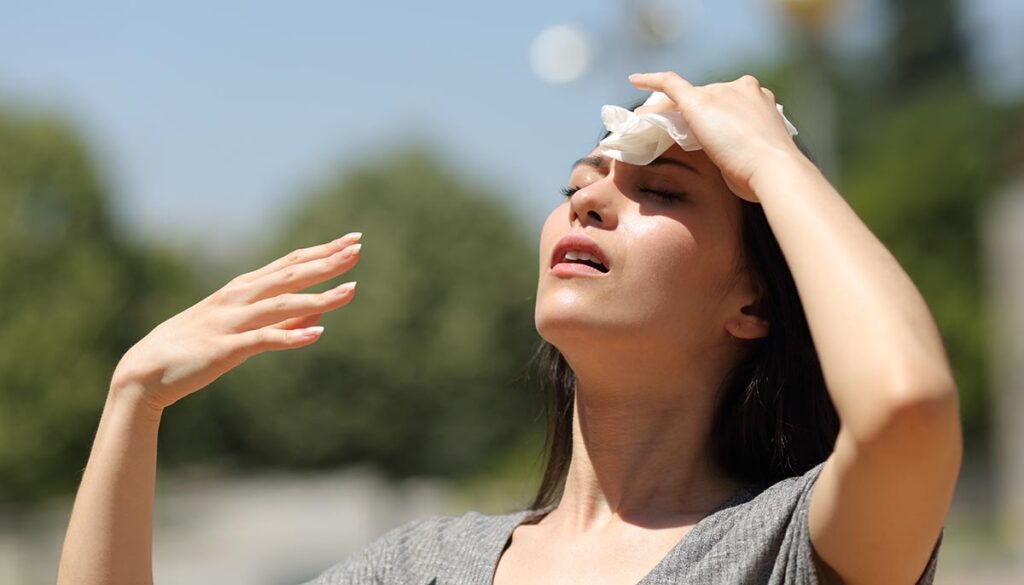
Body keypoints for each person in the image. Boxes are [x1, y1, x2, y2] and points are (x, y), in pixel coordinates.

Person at [56, 71, 962, 585]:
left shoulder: (787, 548)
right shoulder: (418, 568)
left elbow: (906, 409)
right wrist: (133, 403)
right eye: (576, 186)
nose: (594, 200)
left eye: (662, 190)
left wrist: (770, 155)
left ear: (753, 303)